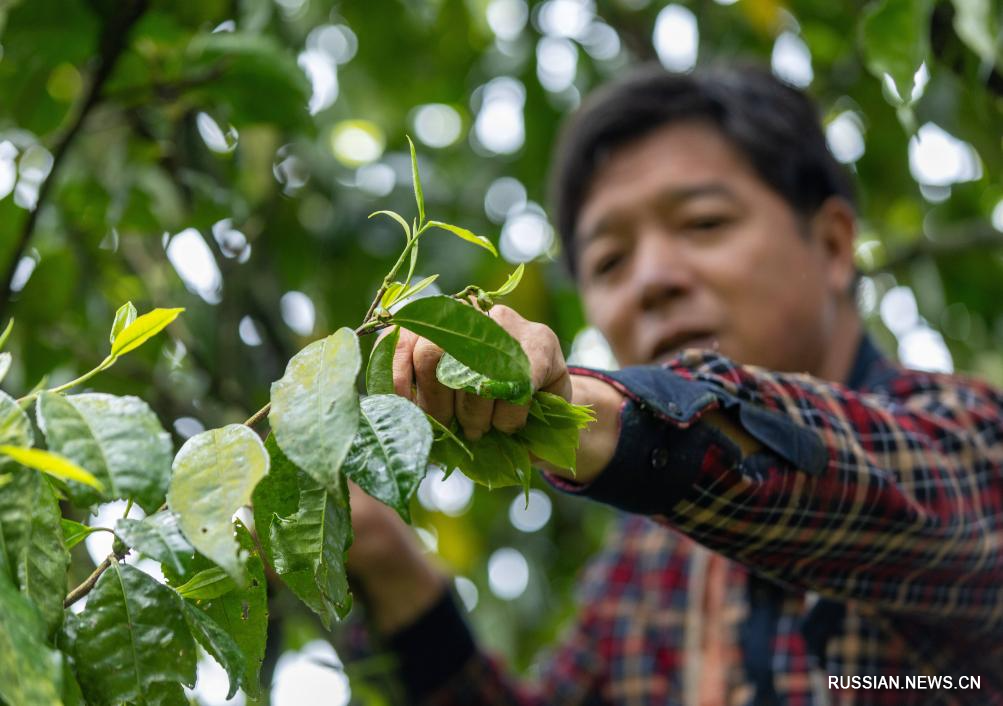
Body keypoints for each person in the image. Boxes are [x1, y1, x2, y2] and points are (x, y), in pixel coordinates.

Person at [344, 64, 1003, 706]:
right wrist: (385, 560)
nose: (652, 279)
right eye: (609, 261)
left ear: (832, 246)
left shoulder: (973, 441)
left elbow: (901, 498)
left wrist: (590, 412)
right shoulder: (642, 572)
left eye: (703, 223)